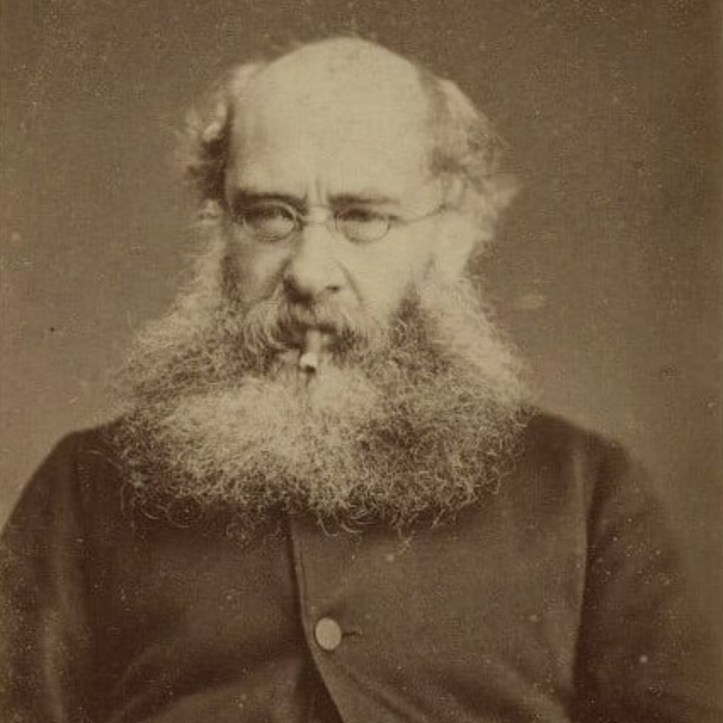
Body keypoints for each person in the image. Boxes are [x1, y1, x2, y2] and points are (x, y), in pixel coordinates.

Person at [1, 36, 720, 723]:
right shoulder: (85, 488)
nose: (309, 272)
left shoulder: (586, 492)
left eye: (362, 217)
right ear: (219, 226)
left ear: (453, 232)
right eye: (269, 216)